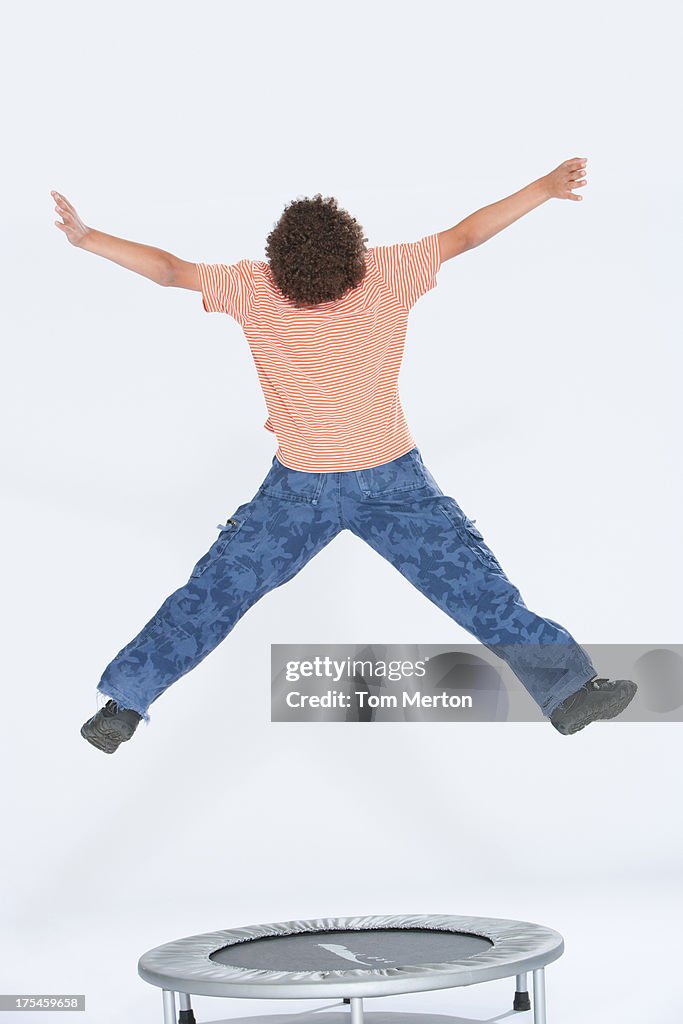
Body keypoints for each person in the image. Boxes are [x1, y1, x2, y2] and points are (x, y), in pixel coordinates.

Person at [51, 157, 636, 754]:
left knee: (215, 592)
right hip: (392, 482)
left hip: (298, 489)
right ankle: (568, 693)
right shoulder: (388, 270)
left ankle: (123, 704)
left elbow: (169, 270)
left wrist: (86, 238)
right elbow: (466, 234)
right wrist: (543, 188)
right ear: (353, 250)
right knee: (477, 588)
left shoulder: (253, 286)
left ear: (279, 258)